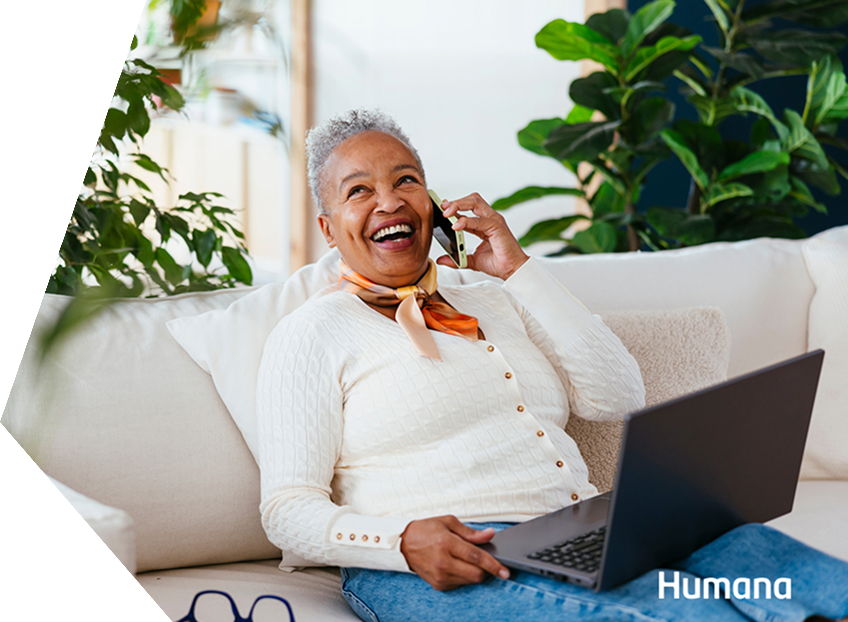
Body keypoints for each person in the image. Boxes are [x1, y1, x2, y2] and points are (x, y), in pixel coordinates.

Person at [256, 109, 848, 622]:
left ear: (433, 205)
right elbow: (287, 510)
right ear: (328, 228)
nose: (389, 200)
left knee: (779, 568)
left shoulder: (495, 296)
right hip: (438, 562)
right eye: (359, 190)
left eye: (406, 180)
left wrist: (518, 270)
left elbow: (618, 396)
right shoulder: (310, 333)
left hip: (583, 530)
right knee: (691, 613)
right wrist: (401, 541)